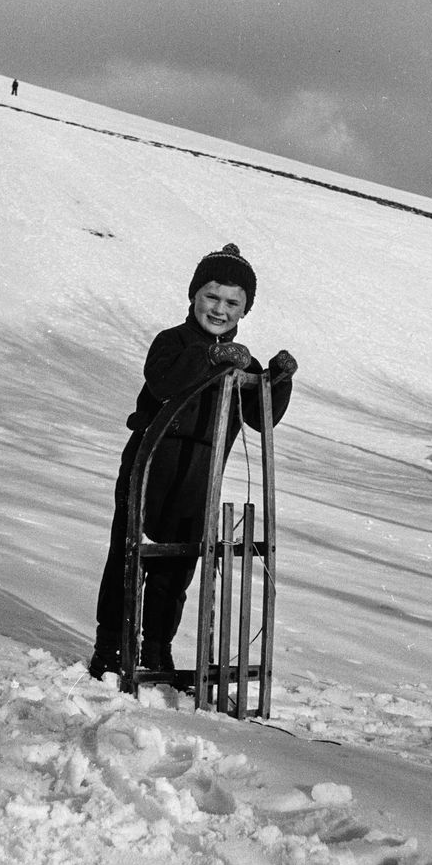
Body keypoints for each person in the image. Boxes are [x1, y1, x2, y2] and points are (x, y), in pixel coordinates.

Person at [89, 243, 297, 681]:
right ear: (193, 296)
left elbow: (262, 417)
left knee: (179, 562)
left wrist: (276, 379)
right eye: (212, 297)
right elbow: (164, 381)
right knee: (130, 555)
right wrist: (210, 357)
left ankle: (156, 648)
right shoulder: (173, 342)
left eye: (232, 303)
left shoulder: (243, 363)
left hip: (201, 475)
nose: (219, 309)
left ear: (244, 311)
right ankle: (110, 644)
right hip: (152, 464)